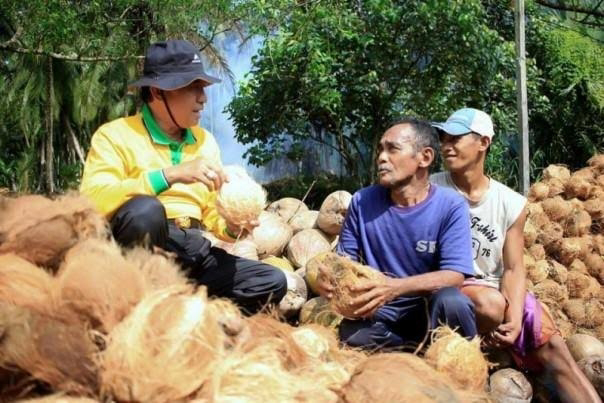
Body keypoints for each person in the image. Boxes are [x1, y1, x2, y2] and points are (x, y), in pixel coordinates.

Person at [80, 39, 286, 314]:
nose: (203, 98)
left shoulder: (205, 141)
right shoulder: (114, 135)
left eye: (203, 88)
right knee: (146, 212)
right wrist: (170, 175)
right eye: (193, 87)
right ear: (157, 92)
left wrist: (232, 227)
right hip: (139, 251)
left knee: (271, 281)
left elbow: (211, 213)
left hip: (190, 250)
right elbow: (92, 199)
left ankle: (193, 324)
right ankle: (140, 309)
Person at [431, 108, 600, 403]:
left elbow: (513, 268)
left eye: (456, 138)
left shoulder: (510, 202)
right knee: (490, 305)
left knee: (555, 348)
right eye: (443, 138)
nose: (446, 145)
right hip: (450, 287)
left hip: (494, 287)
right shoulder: (431, 188)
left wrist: (516, 318)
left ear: (483, 142)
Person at [316, 118, 478, 350]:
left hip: (427, 311)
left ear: (425, 157)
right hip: (380, 314)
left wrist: (393, 287)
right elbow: (344, 261)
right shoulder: (362, 201)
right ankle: (410, 355)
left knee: (453, 303)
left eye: (392, 149)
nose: (382, 157)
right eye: (380, 150)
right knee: (353, 336)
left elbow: (454, 275)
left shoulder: (450, 205)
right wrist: (329, 277)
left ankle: (454, 363)